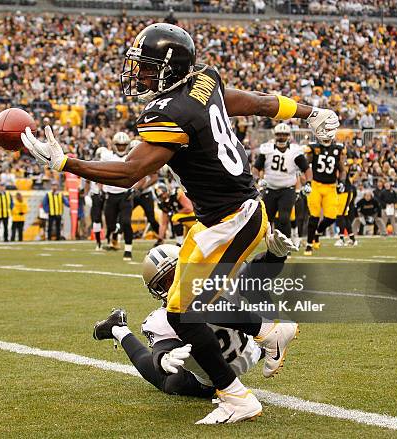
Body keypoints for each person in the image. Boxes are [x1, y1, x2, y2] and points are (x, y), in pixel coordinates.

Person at [21, 23, 338, 424]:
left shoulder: (170, 111)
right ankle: (271, 332)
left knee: (182, 313)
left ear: (171, 69)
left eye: (149, 68)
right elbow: (258, 102)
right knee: (187, 306)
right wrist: (311, 113)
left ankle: (236, 396)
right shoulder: (205, 81)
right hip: (221, 217)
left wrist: (67, 163)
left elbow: (130, 172)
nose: (141, 76)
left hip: (231, 219)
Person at [93, 233, 294, 397]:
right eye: (165, 282)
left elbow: (254, 274)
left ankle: (269, 333)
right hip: (205, 381)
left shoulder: (214, 280)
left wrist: (274, 257)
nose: (174, 284)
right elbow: (163, 349)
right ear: (156, 291)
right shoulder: (161, 319)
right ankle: (118, 328)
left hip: (251, 350)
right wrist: (163, 360)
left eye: (177, 273)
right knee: (169, 381)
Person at [253, 123, 311, 239]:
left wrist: (308, 183)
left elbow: (307, 169)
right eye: (279, 134)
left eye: (284, 135)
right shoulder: (267, 149)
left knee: (284, 218)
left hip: (287, 189)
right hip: (270, 189)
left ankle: (286, 244)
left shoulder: (295, 151)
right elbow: (255, 168)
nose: (281, 137)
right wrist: (258, 179)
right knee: (266, 219)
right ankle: (269, 243)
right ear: (275, 135)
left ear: (288, 136)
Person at [303, 136, 347, 255]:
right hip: (316, 185)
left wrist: (342, 182)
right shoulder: (314, 148)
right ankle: (309, 244)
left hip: (331, 187)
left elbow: (342, 169)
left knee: (331, 217)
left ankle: (317, 233)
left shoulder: (337, 149)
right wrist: (307, 181)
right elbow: (305, 165)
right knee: (314, 216)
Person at [100, 132, 135, 260]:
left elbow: (141, 175)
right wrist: (101, 189)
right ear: (114, 145)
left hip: (126, 194)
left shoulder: (132, 156)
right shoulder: (106, 156)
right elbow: (100, 173)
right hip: (111, 194)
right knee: (110, 225)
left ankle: (128, 250)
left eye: (123, 145)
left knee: (126, 222)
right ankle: (114, 234)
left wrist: (134, 189)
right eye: (119, 145)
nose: (121, 148)